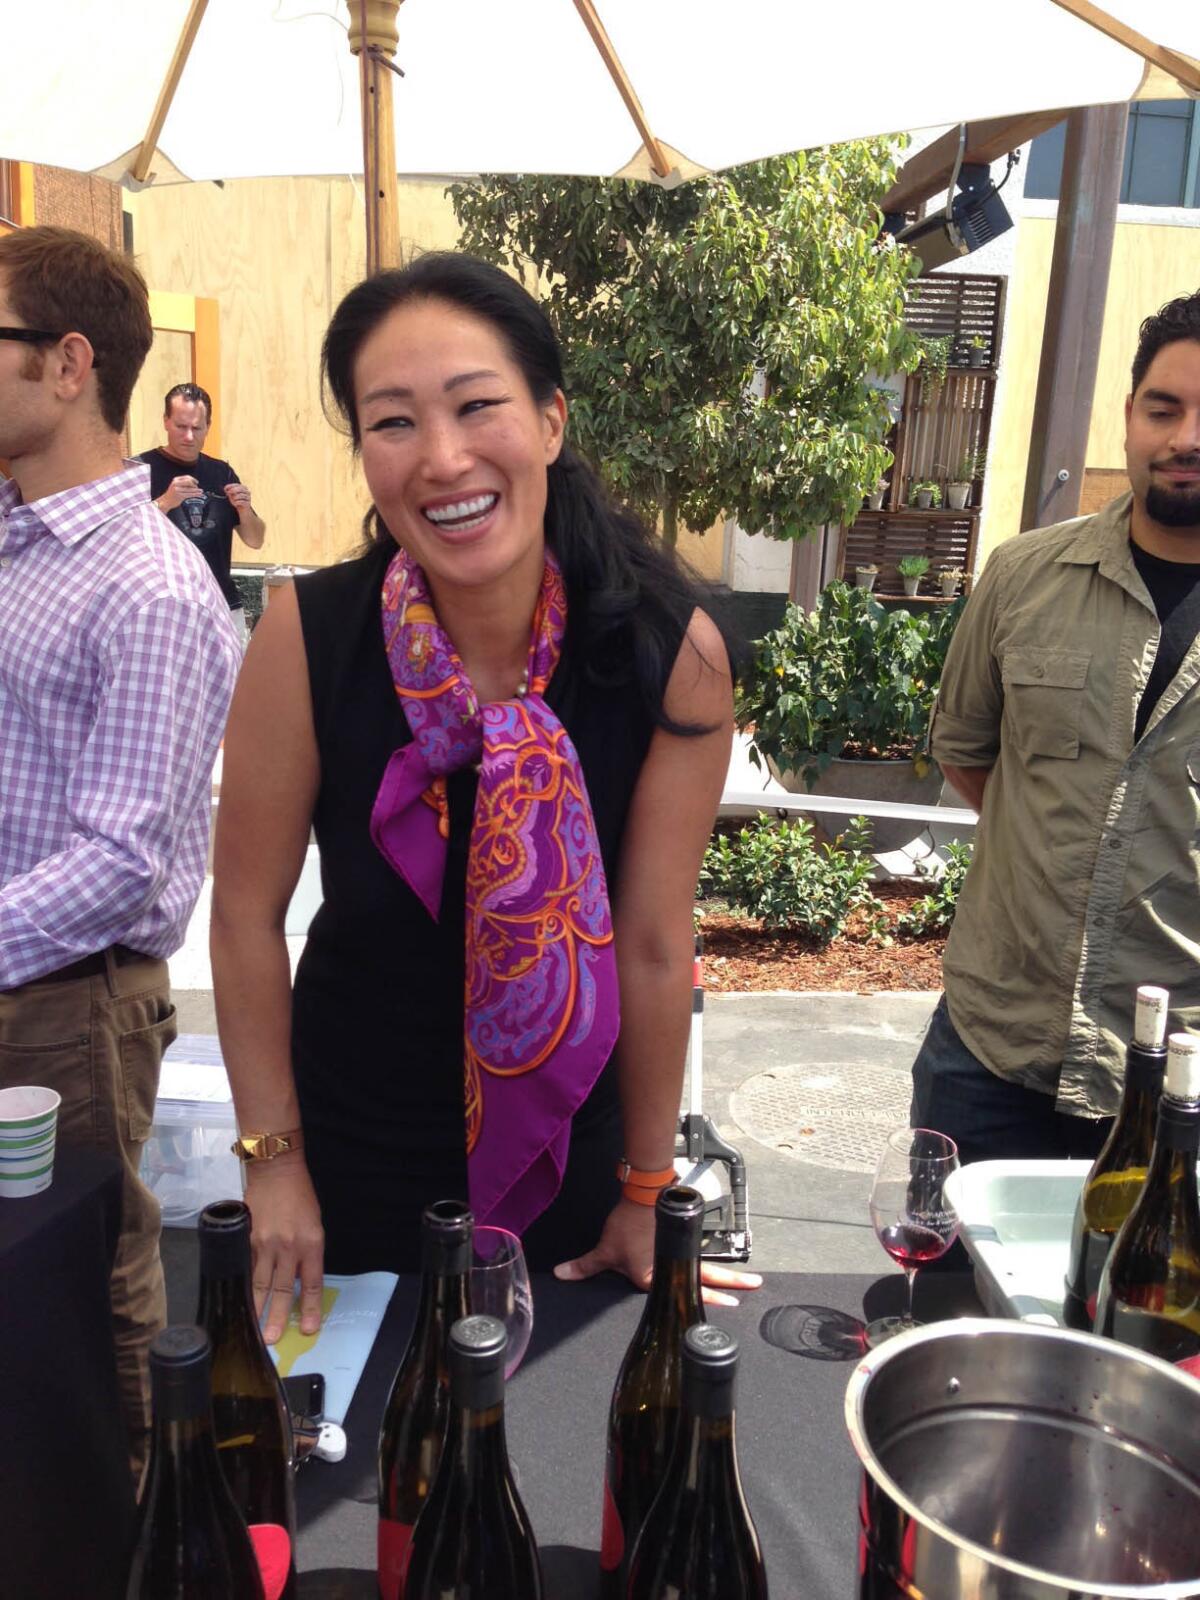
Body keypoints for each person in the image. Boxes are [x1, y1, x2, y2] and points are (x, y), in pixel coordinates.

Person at [211, 252, 761, 1342]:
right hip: (348, 1165)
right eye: (394, 422)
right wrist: (272, 1163)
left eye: (478, 406)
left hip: (570, 1157)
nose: (444, 458)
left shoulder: (667, 651)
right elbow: (242, 917)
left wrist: (650, 1187)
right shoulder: (306, 638)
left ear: (552, 420)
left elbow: (654, 943)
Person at [0, 227, 241, 1473]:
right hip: (25, 980)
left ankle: (138, 1537)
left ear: (66, 364)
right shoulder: (16, 542)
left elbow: (118, 861)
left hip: (63, 1008)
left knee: (86, 1302)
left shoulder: (146, 584)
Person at [913, 290, 1200, 1165]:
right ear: (1129, 418)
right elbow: (968, 753)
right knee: (959, 1293)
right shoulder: (1023, 576)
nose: (1186, 436)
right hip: (991, 1050)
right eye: (1165, 407)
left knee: (1142, 1304)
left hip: (1178, 1078)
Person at [137, 381, 265, 646]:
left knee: (233, 687)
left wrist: (244, 510)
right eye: (181, 426)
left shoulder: (222, 472)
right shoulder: (139, 469)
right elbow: (122, 535)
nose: (188, 436)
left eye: (196, 428)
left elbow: (255, 539)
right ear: (165, 421)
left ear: (208, 426)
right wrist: (164, 503)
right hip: (164, 608)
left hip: (223, 605)